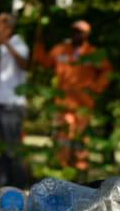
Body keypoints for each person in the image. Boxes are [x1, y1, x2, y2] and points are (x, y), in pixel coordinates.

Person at [33, 19, 112, 170]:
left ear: (86, 35)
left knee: (81, 142)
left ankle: (80, 174)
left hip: (83, 105)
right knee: (62, 140)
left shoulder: (93, 53)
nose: (76, 35)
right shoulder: (60, 50)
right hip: (62, 105)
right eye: (75, 31)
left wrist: (96, 87)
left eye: (80, 32)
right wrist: (39, 44)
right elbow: (44, 61)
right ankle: (61, 172)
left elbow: (107, 72)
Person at [0, 11, 31, 188]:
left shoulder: (19, 43)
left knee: (13, 147)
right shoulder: (3, 48)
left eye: (2, 25)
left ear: (9, 27)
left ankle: (19, 185)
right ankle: (5, 182)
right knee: (3, 146)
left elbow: (24, 65)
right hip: (1, 102)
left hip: (13, 104)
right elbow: (3, 70)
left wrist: (7, 43)